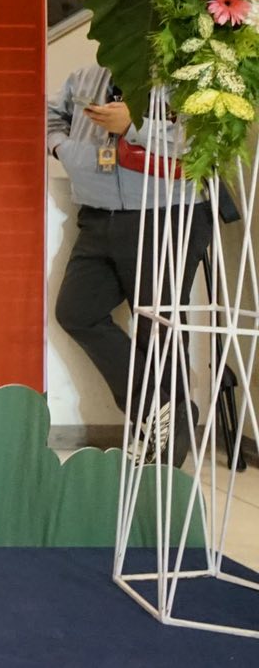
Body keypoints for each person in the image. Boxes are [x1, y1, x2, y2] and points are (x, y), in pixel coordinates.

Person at [48, 64, 216, 460]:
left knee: (158, 327)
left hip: (166, 212)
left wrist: (135, 127)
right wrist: (63, 148)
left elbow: (206, 142)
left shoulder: (190, 72)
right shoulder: (87, 75)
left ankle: (167, 449)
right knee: (77, 311)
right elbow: (48, 114)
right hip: (97, 214)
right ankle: (165, 413)